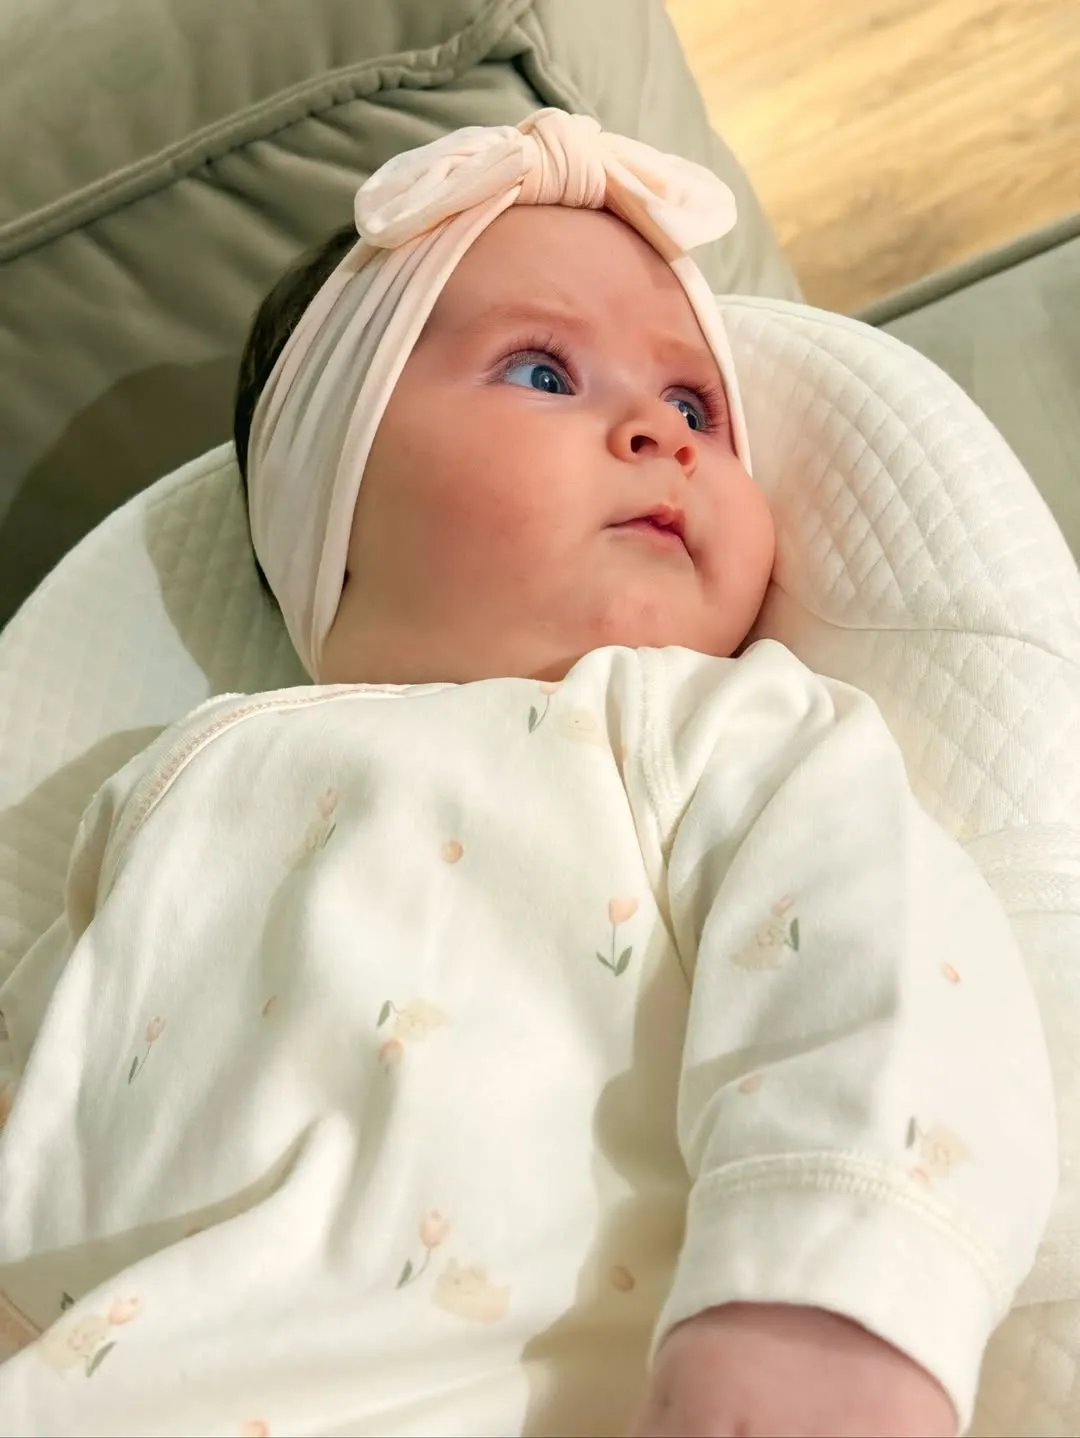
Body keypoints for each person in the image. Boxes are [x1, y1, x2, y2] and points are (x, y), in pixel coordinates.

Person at [0, 109, 1056, 1438]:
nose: (661, 433)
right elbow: (43, 1108)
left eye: (695, 405)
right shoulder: (171, 785)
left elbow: (882, 967)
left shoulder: (719, 730)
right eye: (545, 373)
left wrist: (818, 1303)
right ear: (333, 504)